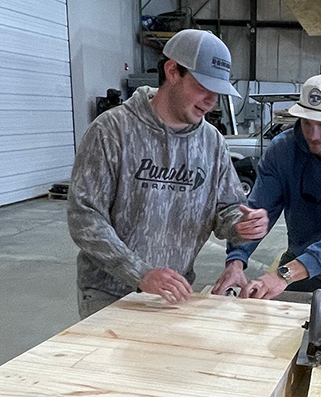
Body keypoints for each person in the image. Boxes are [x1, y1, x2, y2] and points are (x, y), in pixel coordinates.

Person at [68, 29, 269, 319]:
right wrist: (140, 272)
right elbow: (85, 217)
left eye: (218, 91)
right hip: (108, 295)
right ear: (173, 71)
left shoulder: (211, 141)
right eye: (203, 86)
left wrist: (242, 226)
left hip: (174, 294)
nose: (211, 101)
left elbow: (225, 210)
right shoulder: (112, 131)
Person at [211, 74, 321, 300]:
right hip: (299, 260)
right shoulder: (282, 151)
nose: (313, 136)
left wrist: (284, 275)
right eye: (306, 122)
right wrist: (236, 260)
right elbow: (256, 212)